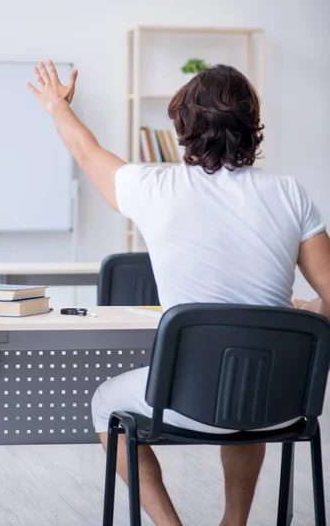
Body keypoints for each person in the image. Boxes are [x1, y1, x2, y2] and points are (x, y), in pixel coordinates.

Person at [28, 61, 330, 526]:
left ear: (184, 125)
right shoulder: (291, 194)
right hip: (281, 404)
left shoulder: (155, 186)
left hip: (183, 402)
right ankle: (235, 523)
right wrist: (313, 311)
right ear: (251, 126)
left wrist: (55, 105)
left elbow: (87, 153)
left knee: (104, 402)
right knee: (246, 397)